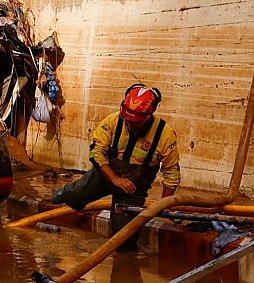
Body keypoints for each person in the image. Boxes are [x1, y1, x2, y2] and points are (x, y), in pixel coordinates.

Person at [51, 84, 181, 252]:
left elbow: (171, 173)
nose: (130, 125)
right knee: (73, 195)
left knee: (124, 240)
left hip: (132, 191)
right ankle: (58, 196)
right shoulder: (112, 121)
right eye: (127, 120)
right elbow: (96, 152)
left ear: (149, 116)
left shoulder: (165, 135)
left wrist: (163, 206)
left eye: (135, 123)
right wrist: (115, 179)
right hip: (103, 177)